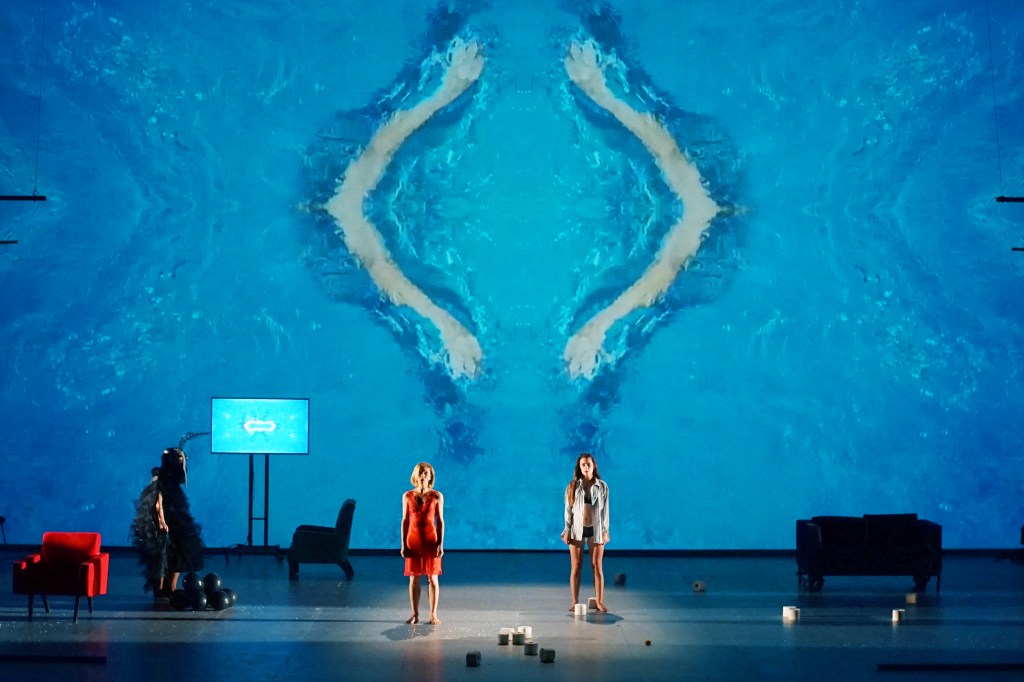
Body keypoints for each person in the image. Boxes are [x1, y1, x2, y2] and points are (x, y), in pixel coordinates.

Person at [130, 447, 204, 597]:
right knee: (163, 553)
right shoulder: (161, 480)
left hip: (175, 520)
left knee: (177, 552)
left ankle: (170, 587)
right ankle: (163, 588)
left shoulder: (171, 483)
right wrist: (161, 521)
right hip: (165, 521)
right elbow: (157, 502)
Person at [561, 452, 610, 612]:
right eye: (583, 465)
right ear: (579, 467)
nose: (586, 467)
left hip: (596, 530)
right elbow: (568, 510)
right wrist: (567, 530)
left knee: (597, 566)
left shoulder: (602, 486)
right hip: (577, 530)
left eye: (589, 464)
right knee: (576, 566)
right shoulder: (573, 486)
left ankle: (599, 601)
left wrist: (605, 531)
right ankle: (574, 601)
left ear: (594, 466)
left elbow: (605, 512)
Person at [400, 462, 445, 624]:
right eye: (420, 472)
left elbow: (440, 521)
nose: (422, 476)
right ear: (415, 475)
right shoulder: (407, 495)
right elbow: (405, 520)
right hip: (413, 541)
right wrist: (403, 545)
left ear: (430, 476)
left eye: (426, 473)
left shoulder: (437, 496)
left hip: (431, 541)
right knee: (414, 579)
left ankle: (433, 614)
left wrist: (440, 544)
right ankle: (415, 614)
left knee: (432, 578)